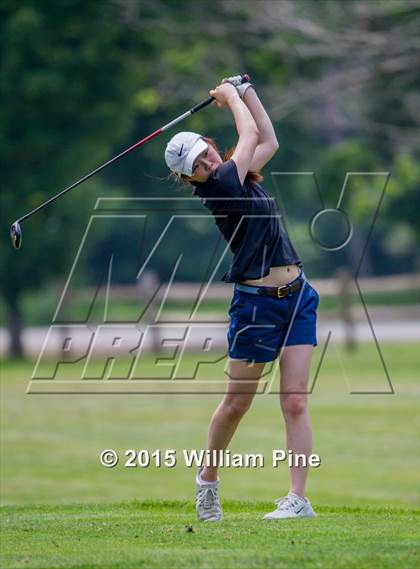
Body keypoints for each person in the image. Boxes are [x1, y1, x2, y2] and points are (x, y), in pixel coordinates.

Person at [164, 76, 319, 522]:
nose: (206, 163)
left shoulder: (238, 172)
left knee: (294, 400)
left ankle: (298, 499)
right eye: (195, 164)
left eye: (205, 152)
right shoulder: (220, 189)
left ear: (211, 145)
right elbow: (249, 135)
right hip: (257, 306)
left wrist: (246, 90)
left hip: (298, 296)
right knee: (237, 403)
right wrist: (229, 95)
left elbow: (267, 138)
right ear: (186, 177)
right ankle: (207, 481)